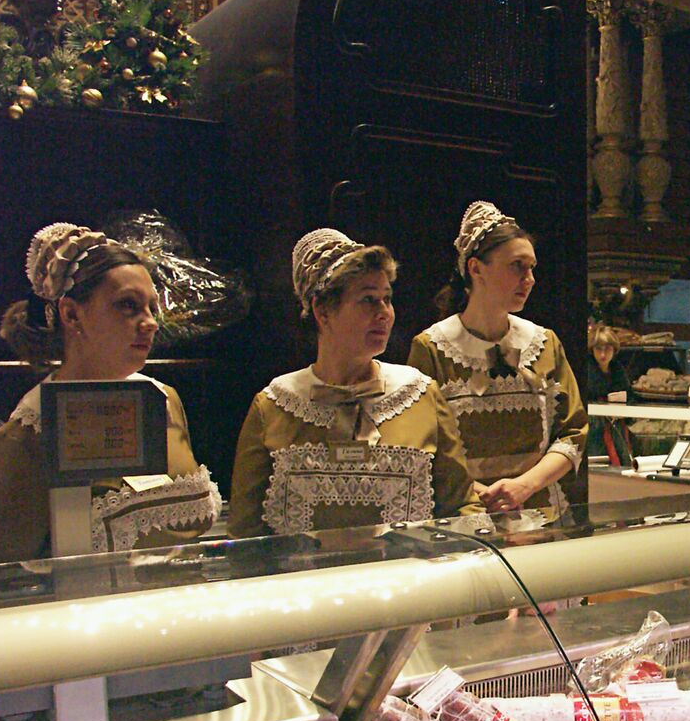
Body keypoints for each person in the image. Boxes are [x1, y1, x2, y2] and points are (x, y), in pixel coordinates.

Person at [0, 223, 221, 563]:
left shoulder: (163, 402)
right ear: (72, 314)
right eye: (128, 306)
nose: (150, 323)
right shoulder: (27, 438)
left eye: (151, 308)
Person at [229, 228, 482, 536]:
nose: (384, 313)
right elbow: (245, 532)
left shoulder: (420, 395)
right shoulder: (274, 405)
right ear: (322, 311)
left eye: (386, 299)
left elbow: (462, 508)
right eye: (368, 300)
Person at [408, 201, 587, 513]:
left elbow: (573, 431)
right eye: (517, 266)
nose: (529, 278)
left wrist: (525, 485)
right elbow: (424, 447)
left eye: (532, 267)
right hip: (464, 517)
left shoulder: (544, 343)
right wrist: (488, 496)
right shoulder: (433, 348)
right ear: (476, 268)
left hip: (540, 515)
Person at [587, 325, 633, 465]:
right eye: (598, 349)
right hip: (594, 428)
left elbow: (630, 396)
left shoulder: (618, 370)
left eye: (607, 349)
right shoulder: (587, 371)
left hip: (617, 426)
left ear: (614, 350)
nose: (603, 354)